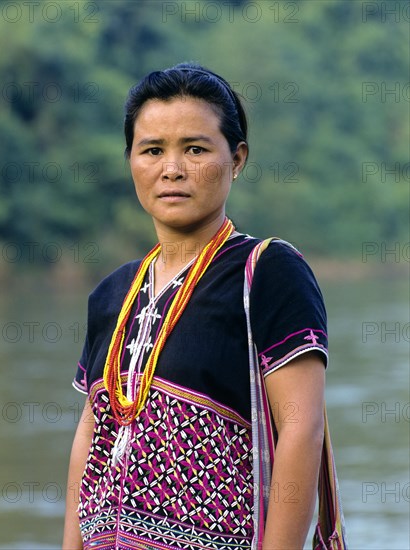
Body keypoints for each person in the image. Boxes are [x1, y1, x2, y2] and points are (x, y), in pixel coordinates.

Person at [62, 62, 327, 550]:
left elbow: (301, 428)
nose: (172, 169)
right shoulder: (110, 294)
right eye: (152, 150)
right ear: (131, 162)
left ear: (237, 158)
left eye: (196, 149)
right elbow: (91, 432)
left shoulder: (266, 270)